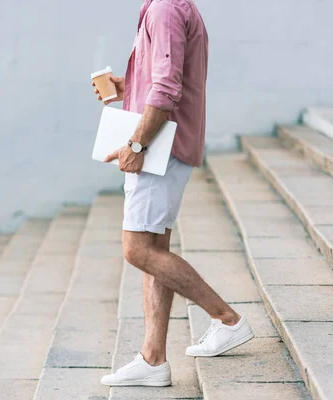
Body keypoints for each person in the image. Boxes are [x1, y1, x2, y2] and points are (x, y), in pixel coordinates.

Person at [92, 0, 253, 388]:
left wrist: (135, 146)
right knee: (154, 250)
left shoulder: (164, 8)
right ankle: (153, 359)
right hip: (165, 146)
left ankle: (227, 320)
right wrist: (128, 85)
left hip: (160, 149)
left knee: (137, 250)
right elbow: (166, 76)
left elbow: (167, 87)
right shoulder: (169, 6)